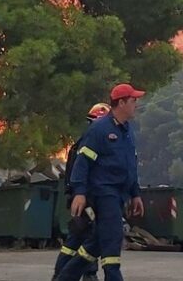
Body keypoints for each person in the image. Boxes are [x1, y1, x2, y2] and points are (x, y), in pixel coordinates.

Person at [57, 84, 145, 281]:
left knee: (95, 244)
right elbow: (82, 163)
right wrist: (79, 193)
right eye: (133, 100)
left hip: (120, 195)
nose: (136, 105)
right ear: (121, 103)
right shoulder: (99, 129)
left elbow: (130, 165)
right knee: (112, 243)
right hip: (104, 194)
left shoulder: (126, 130)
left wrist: (135, 194)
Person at [52, 103, 111, 281]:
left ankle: (62, 276)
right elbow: (83, 173)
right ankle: (88, 274)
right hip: (87, 200)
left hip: (82, 198)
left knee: (76, 240)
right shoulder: (89, 143)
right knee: (88, 239)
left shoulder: (83, 142)